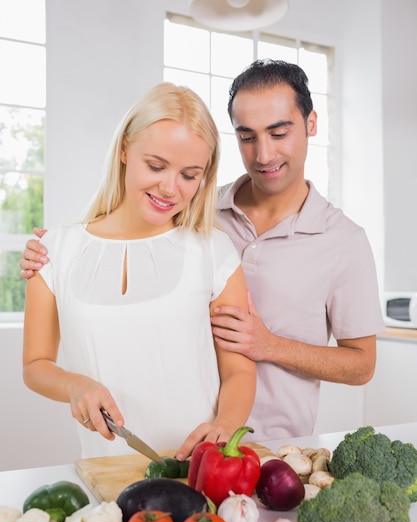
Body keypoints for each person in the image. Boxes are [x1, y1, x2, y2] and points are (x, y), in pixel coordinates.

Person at [20, 60, 385, 442]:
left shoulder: (341, 241)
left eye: (279, 133)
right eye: (247, 136)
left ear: (311, 123)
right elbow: (129, 232)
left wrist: (270, 346)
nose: (263, 154)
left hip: (277, 445)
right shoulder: (199, 213)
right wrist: (61, 250)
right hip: (184, 448)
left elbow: (361, 365)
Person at [22, 82, 256, 462]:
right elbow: (35, 366)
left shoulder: (214, 251)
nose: (169, 188)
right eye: (156, 166)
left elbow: (239, 372)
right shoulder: (54, 251)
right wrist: (74, 385)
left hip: (196, 471)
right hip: (105, 471)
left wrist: (226, 427)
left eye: (189, 174)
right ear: (125, 150)